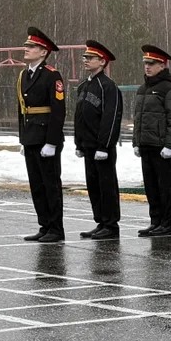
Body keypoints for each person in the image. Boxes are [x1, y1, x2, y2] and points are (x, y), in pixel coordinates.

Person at [16, 27, 67, 243]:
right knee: (36, 185)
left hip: (46, 137)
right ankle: (44, 225)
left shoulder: (51, 75)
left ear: (43, 52)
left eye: (31, 46)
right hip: (31, 137)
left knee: (50, 185)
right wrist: (23, 138)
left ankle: (56, 228)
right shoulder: (23, 75)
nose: (26, 49)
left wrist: (52, 142)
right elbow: (22, 109)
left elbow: (58, 110)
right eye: (26, 45)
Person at [73, 40, 123, 240]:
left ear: (102, 61)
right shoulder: (84, 86)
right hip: (88, 145)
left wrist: (104, 146)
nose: (86, 60)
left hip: (102, 147)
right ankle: (100, 221)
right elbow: (79, 116)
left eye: (91, 58)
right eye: (85, 57)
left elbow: (111, 118)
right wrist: (78, 143)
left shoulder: (108, 87)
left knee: (106, 186)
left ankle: (110, 225)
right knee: (93, 186)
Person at [132, 44, 171, 237]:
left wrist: (170, 145)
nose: (147, 66)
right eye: (146, 63)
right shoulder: (143, 89)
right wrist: (136, 141)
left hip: (161, 147)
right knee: (151, 187)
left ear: (162, 65)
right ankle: (155, 221)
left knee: (165, 187)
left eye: (152, 63)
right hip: (146, 144)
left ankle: (167, 224)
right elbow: (138, 118)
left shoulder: (169, 90)